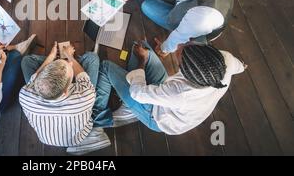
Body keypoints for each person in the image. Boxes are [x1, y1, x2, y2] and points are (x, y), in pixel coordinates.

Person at [98, 42, 246, 135]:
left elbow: (137, 93)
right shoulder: (225, 59)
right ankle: (132, 105)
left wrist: (143, 61)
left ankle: (98, 116)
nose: (180, 44)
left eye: (179, 53)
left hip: (157, 116)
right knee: (142, 46)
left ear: (185, 71)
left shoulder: (181, 93)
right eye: (189, 43)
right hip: (168, 95)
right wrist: (244, 66)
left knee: (106, 66)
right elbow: (240, 66)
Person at [19, 42, 112, 155]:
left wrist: (51, 57)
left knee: (26, 61)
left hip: (47, 140)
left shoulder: (25, 95)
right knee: (92, 57)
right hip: (78, 138)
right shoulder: (86, 96)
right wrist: (69, 56)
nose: (70, 64)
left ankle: (58, 65)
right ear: (67, 89)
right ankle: (66, 65)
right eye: (70, 68)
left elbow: (34, 78)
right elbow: (83, 77)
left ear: (38, 80)